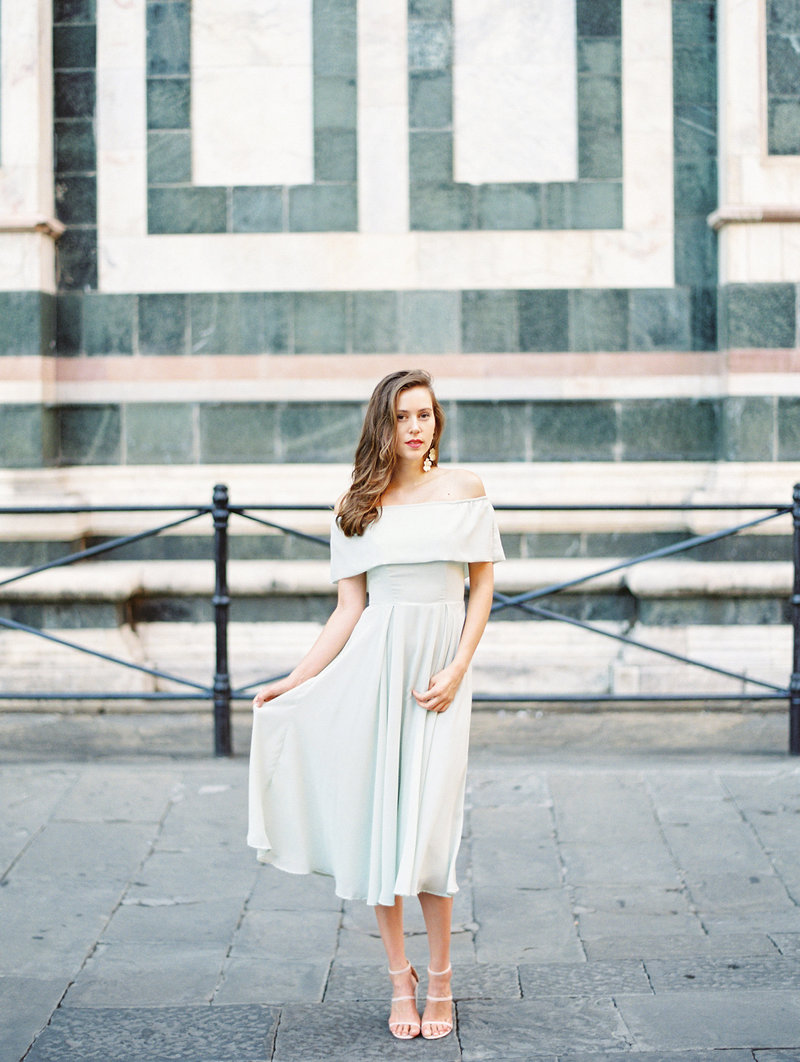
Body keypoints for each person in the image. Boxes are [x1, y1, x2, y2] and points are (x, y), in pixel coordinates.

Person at [247, 369, 504, 1040]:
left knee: (431, 832)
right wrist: (293, 680)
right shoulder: (357, 504)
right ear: (381, 427)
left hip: (440, 676)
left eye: (425, 414)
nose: (416, 427)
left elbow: (481, 590)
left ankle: (442, 977)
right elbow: (347, 611)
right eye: (402, 417)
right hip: (375, 670)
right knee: (381, 831)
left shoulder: (465, 490)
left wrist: (457, 667)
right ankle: (401, 979)